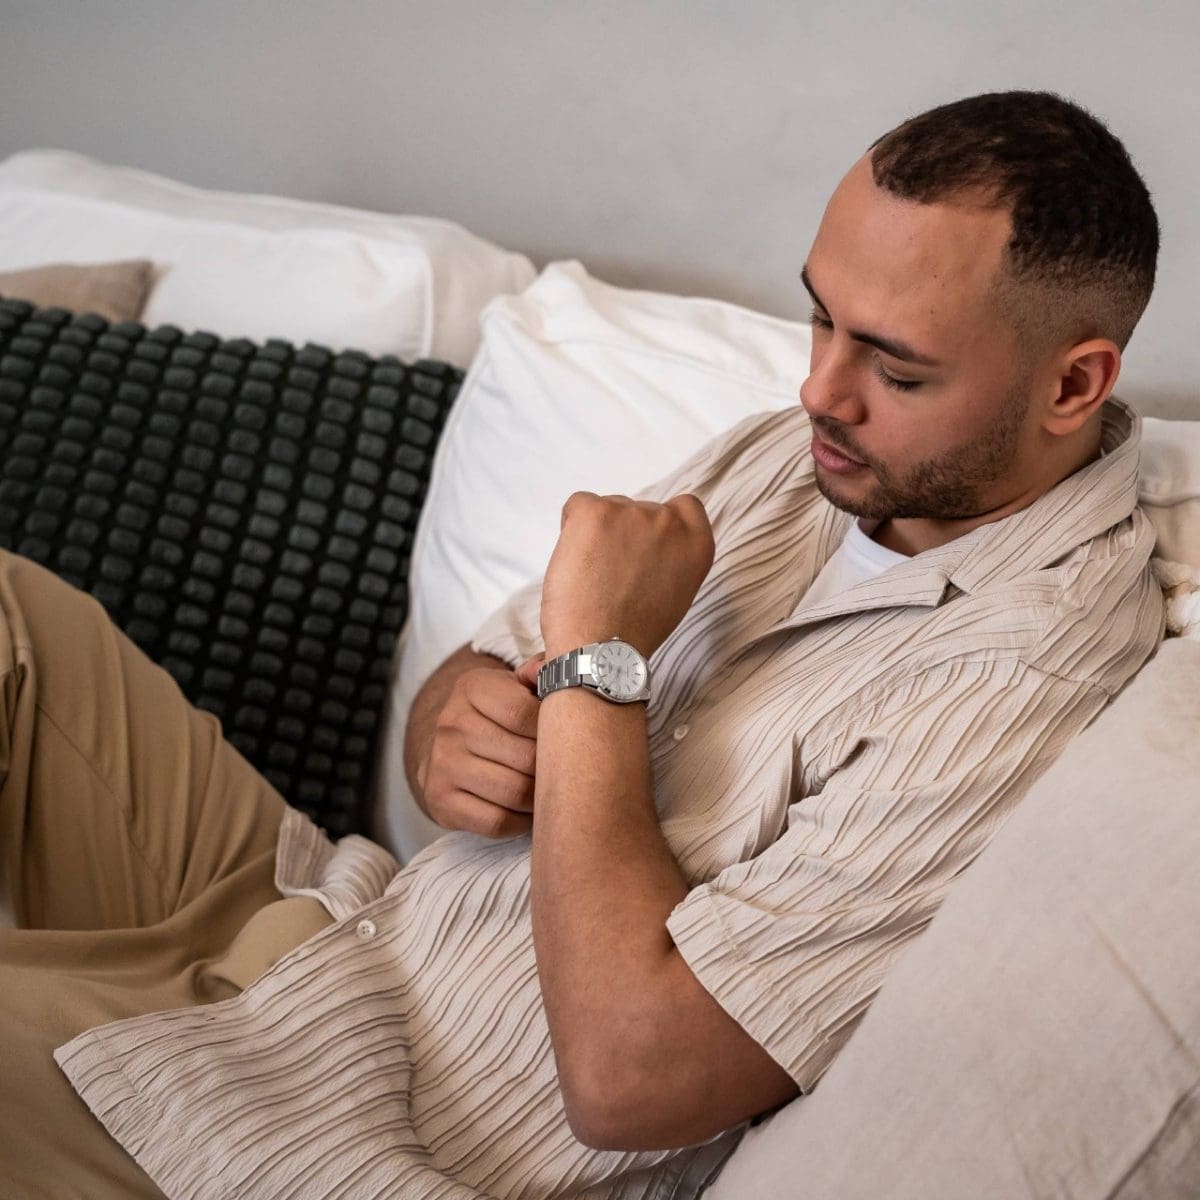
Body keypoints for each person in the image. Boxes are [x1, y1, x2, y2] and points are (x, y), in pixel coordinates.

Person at [0, 90, 1164, 1199]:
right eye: (818, 315)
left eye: (896, 368)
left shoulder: (1022, 683)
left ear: (1074, 384)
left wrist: (597, 671)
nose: (819, 388)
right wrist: (447, 734)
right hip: (324, 925)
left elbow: (632, 1081)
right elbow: (487, 676)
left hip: (323, 1122)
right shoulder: (798, 457)